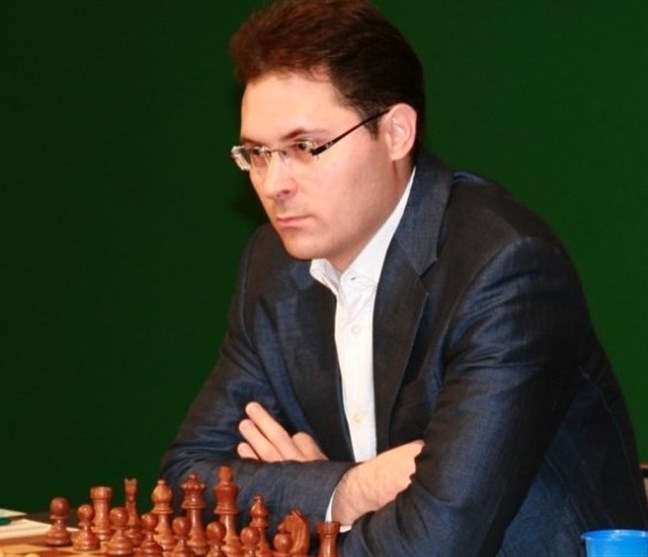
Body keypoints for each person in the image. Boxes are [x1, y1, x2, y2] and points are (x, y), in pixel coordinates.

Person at [160, 0, 648, 555]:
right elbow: (188, 483)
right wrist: (350, 489)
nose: (274, 185)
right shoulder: (272, 266)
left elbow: (436, 543)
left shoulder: (504, 269)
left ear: (395, 132)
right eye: (257, 153)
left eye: (304, 147)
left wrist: (302, 514)